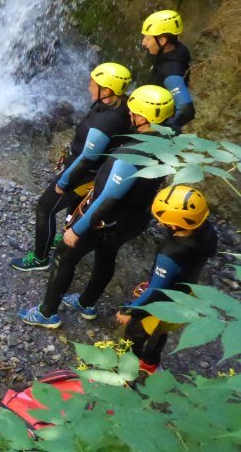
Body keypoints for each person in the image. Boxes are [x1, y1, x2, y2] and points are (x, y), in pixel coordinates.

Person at [19, 85, 175, 328]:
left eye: (134, 112)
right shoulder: (166, 142)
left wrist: (78, 229)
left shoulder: (130, 155)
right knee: (106, 256)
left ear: (143, 117)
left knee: (64, 255)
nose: (130, 116)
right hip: (135, 218)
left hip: (107, 220)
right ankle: (85, 303)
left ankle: (47, 313)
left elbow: (108, 199)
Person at [11, 62, 133, 271]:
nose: (88, 87)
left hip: (85, 175)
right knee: (72, 205)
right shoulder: (119, 105)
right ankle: (67, 228)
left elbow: (87, 158)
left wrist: (63, 181)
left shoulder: (107, 121)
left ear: (107, 90)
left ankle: (40, 258)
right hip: (92, 170)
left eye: (93, 84)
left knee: (45, 208)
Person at [116, 185, 218, 374]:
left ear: (175, 225)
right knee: (161, 331)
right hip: (185, 295)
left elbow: (156, 291)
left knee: (135, 334)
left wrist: (131, 310)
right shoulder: (206, 230)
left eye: (163, 221)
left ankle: (125, 373)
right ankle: (150, 362)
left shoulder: (169, 253)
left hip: (163, 302)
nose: (160, 223)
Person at [141, 10, 195, 130]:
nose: (143, 43)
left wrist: (161, 129)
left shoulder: (171, 73)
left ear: (162, 41)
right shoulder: (177, 48)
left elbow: (186, 111)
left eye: (147, 39)